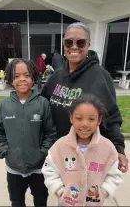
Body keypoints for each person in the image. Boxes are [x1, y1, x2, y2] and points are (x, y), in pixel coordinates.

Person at [41, 22, 129, 173]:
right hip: (60, 153)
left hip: (89, 155)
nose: (74, 46)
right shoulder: (55, 77)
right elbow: (41, 108)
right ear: (64, 44)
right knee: (64, 194)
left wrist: (119, 148)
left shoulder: (101, 77)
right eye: (69, 42)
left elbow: (111, 116)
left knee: (88, 194)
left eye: (80, 42)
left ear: (88, 44)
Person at [0, 58, 56, 207]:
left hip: (39, 168)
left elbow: (50, 133)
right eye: (16, 76)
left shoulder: (42, 103)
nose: (22, 79)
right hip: (13, 168)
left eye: (27, 75)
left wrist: (42, 153)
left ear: (33, 77)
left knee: (40, 201)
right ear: (10, 79)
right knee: (16, 201)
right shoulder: (2, 106)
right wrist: (5, 151)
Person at [42, 94, 123, 206]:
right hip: (66, 203)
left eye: (91, 119)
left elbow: (114, 175)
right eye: (79, 118)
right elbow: (49, 171)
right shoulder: (60, 146)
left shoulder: (108, 148)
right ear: (71, 118)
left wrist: (103, 192)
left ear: (99, 120)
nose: (85, 124)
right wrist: (61, 191)